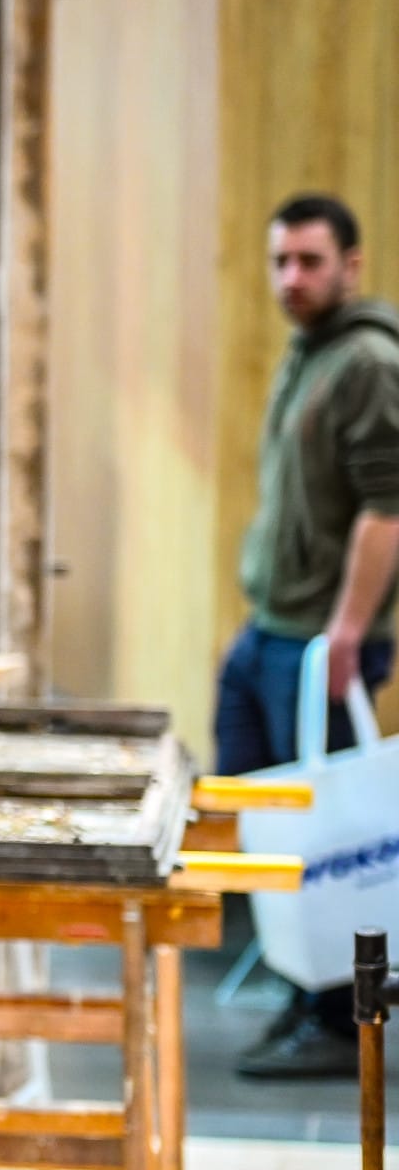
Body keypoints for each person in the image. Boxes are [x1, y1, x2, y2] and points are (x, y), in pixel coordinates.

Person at [219, 194, 399, 1079]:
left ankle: (336, 1019)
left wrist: (347, 633)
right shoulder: (311, 354)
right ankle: (303, 994)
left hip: (321, 644)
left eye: (311, 261)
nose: (292, 278)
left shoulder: (365, 359)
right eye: (281, 260)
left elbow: (389, 504)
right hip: (273, 632)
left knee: (331, 841)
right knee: (269, 829)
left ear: (352, 265)